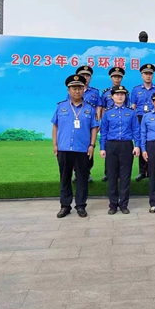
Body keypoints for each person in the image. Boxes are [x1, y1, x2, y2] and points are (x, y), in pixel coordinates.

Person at [52, 75, 99, 218]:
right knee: (65, 178)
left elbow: (94, 128)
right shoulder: (61, 106)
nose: (77, 91)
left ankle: (81, 205)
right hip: (64, 148)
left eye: (79, 88)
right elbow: (55, 126)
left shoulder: (90, 108)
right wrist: (55, 144)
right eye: (74, 88)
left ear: (84, 89)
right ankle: (65, 206)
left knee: (82, 178)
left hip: (82, 149)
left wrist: (92, 145)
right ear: (68, 90)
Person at [100, 85, 141, 215]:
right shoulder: (107, 113)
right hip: (111, 145)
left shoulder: (131, 112)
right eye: (117, 94)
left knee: (125, 176)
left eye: (122, 94)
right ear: (112, 97)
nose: (119, 96)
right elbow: (104, 132)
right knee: (112, 176)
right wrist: (102, 148)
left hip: (126, 146)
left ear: (125, 96)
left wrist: (137, 145)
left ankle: (123, 204)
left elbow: (136, 130)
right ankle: (113, 204)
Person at [67, 65, 101, 184]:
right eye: (83, 75)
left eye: (87, 75)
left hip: (89, 124)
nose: (85, 77)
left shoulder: (95, 92)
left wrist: (97, 122)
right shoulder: (72, 91)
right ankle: (77, 173)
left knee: (89, 148)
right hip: (76, 125)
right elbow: (69, 106)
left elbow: (98, 107)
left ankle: (87, 173)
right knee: (75, 148)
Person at [130, 64, 155, 182]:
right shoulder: (136, 89)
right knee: (141, 142)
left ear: (152, 75)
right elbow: (133, 106)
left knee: (153, 143)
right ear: (142, 75)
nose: (148, 76)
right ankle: (142, 171)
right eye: (146, 74)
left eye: (150, 74)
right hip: (140, 117)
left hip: (154, 118)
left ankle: (153, 171)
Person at [100, 66, 128, 183]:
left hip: (121, 123)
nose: (117, 79)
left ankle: (121, 173)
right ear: (111, 78)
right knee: (109, 148)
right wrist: (102, 121)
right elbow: (102, 108)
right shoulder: (105, 93)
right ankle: (108, 173)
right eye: (115, 77)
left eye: (119, 77)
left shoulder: (125, 92)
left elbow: (127, 107)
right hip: (109, 122)